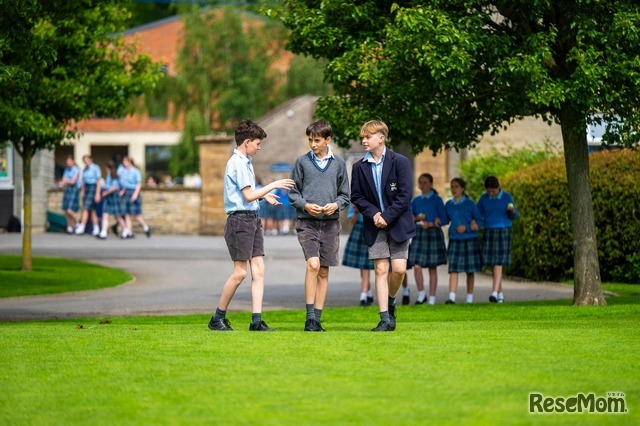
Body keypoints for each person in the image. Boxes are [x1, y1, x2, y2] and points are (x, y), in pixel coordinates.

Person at [208, 118, 295, 332]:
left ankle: (256, 320)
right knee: (240, 272)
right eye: (257, 143)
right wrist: (272, 185)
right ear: (247, 141)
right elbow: (247, 196)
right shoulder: (237, 163)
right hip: (240, 220)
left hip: (252, 218)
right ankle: (217, 318)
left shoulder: (245, 162)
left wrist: (265, 197)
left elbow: (248, 195)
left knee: (259, 269)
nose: (259, 147)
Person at [350, 120, 415, 332]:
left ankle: (390, 300)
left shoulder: (400, 161)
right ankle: (384, 318)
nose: (364, 140)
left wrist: (386, 216)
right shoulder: (359, 167)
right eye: (362, 137)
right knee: (380, 269)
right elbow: (357, 197)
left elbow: (405, 195)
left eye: (368, 137)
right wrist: (375, 214)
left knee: (399, 270)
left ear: (381, 137)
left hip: (398, 223)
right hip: (374, 224)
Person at [289, 120, 350, 332]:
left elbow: (345, 195)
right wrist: (305, 205)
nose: (313, 144)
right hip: (307, 223)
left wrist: (336, 205)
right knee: (313, 265)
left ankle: (317, 318)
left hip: (331, 225)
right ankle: (308, 317)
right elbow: (293, 193)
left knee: (323, 271)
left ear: (327, 140)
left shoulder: (339, 163)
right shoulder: (301, 162)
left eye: (317, 140)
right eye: (310, 140)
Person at [477, 175, 519, 303]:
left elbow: (515, 216)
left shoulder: (507, 197)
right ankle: (500, 294)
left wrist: (512, 211)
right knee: (494, 263)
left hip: (503, 231)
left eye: (493, 191)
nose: (491, 193)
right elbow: (478, 214)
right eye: (489, 191)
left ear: (498, 187)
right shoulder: (483, 199)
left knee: (498, 263)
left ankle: (494, 293)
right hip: (489, 230)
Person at [408, 173, 448, 305]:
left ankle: (432, 298)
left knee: (432, 267)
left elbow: (444, 219)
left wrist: (435, 222)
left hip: (433, 234)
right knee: (417, 266)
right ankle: (421, 295)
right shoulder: (416, 200)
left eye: (425, 182)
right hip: (419, 233)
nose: (422, 185)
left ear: (431, 184)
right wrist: (418, 219)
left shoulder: (437, 200)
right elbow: (409, 218)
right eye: (420, 182)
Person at [444, 177, 483, 304]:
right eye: (452, 186)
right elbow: (445, 220)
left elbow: (479, 221)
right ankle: (451, 297)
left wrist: (467, 227)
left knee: (469, 270)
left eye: (456, 187)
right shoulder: (449, 204)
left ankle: (470, 298)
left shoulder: (470, 204)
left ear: (462, 189)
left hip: (469, 239)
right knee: (453, 269)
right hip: (454, 239)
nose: (453, 189)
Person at [341, 204, 375, 306]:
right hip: (359, 230)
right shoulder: (355, 201)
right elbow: (352, 221)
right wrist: (356, 211)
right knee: (363, 265)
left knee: (367, 265)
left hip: (372, 229)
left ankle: (365, 294)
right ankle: (366, 293)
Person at [118, 156, 151, 239]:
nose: (124, 163)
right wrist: (123, 191)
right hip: (127, 192)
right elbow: (125, 183)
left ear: (129, 162)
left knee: (135, 214)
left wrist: (135, 194)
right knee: (126, 213)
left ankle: (145, 227)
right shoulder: (125, 172)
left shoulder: (136, 171)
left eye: (125, 162)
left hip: (133, 192)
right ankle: (128, 231)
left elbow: (138, 184)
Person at [96, 161, 126, 240]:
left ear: (106, 167)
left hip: (112, 196)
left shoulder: (113, 174)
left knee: (117, 215)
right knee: (105, 214)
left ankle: (125, 230)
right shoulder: (109, 175)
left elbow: (115, 187)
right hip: (109, 196)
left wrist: (106, 192)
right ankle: (103, 232)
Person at [75, 155, 102, 236]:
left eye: (86, 160)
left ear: (90, 160)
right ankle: (96, 228)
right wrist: (82, 191)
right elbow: (83, 182)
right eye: (84, 160)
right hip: (87, 188)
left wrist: (97, 193)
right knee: (92, 210)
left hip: (93, 188)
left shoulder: (95, 168)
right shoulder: (84, 170)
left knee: (85, 208)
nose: (85, 162)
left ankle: (82, 227)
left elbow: (98, 181)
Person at [60, 155, 81, 234]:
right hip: (67, 189)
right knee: (66, 210)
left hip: (73, 189)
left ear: (73, 161)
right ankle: (69, 227)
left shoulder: (76, 170)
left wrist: (65, 181)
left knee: (70, 210)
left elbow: (72, 182)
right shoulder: (66, 170)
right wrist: (65, 182)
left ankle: (77, 223)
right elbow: (63, 180)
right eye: (67, 161)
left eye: (69, 161)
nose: (68, 163)